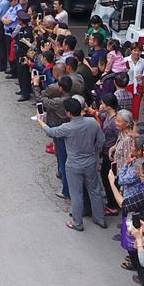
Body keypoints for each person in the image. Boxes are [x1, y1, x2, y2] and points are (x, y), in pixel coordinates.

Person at [38, 98, 107, 231]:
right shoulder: (92, 122)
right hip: (90, 161)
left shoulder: (67, 128)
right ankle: (100, 218)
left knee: (76, 194)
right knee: (95, 190)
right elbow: (101, 140)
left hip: (74, 164)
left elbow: (51, 132)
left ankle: (77, 222)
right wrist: (94, 153)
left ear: (69, 113)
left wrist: (40, 121)